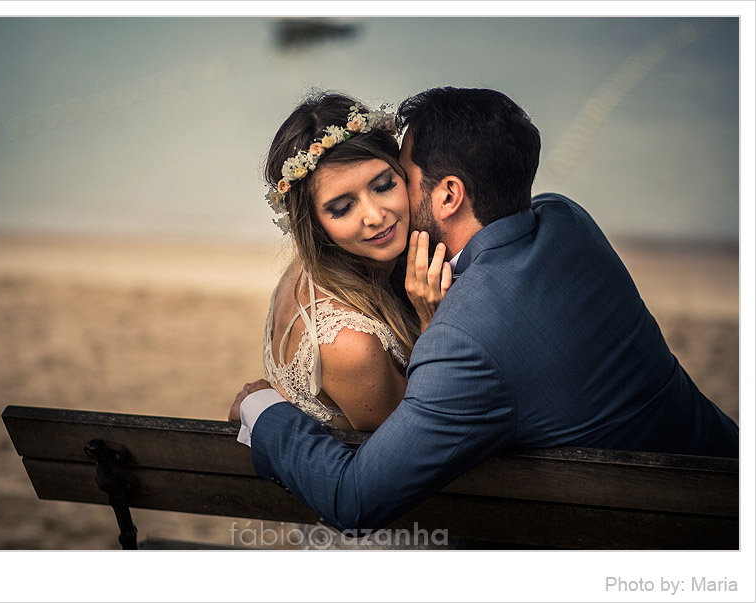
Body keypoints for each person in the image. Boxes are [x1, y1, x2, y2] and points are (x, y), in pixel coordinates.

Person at [232, 87, 739, 534]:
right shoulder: (567, 219)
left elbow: (355, 499)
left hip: (658, 532)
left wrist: (261, 408)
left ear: (450, 193)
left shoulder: (464, 339)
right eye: (342, 206)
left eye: (394, 180)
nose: (383, 210)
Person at [239, 90, 451, 437]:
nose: (375, 216)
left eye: (383, 186)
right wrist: (432, 321)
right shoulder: (349, 342)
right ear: (313, 223)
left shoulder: (312, 265)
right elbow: (417, 443)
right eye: (341, 208)